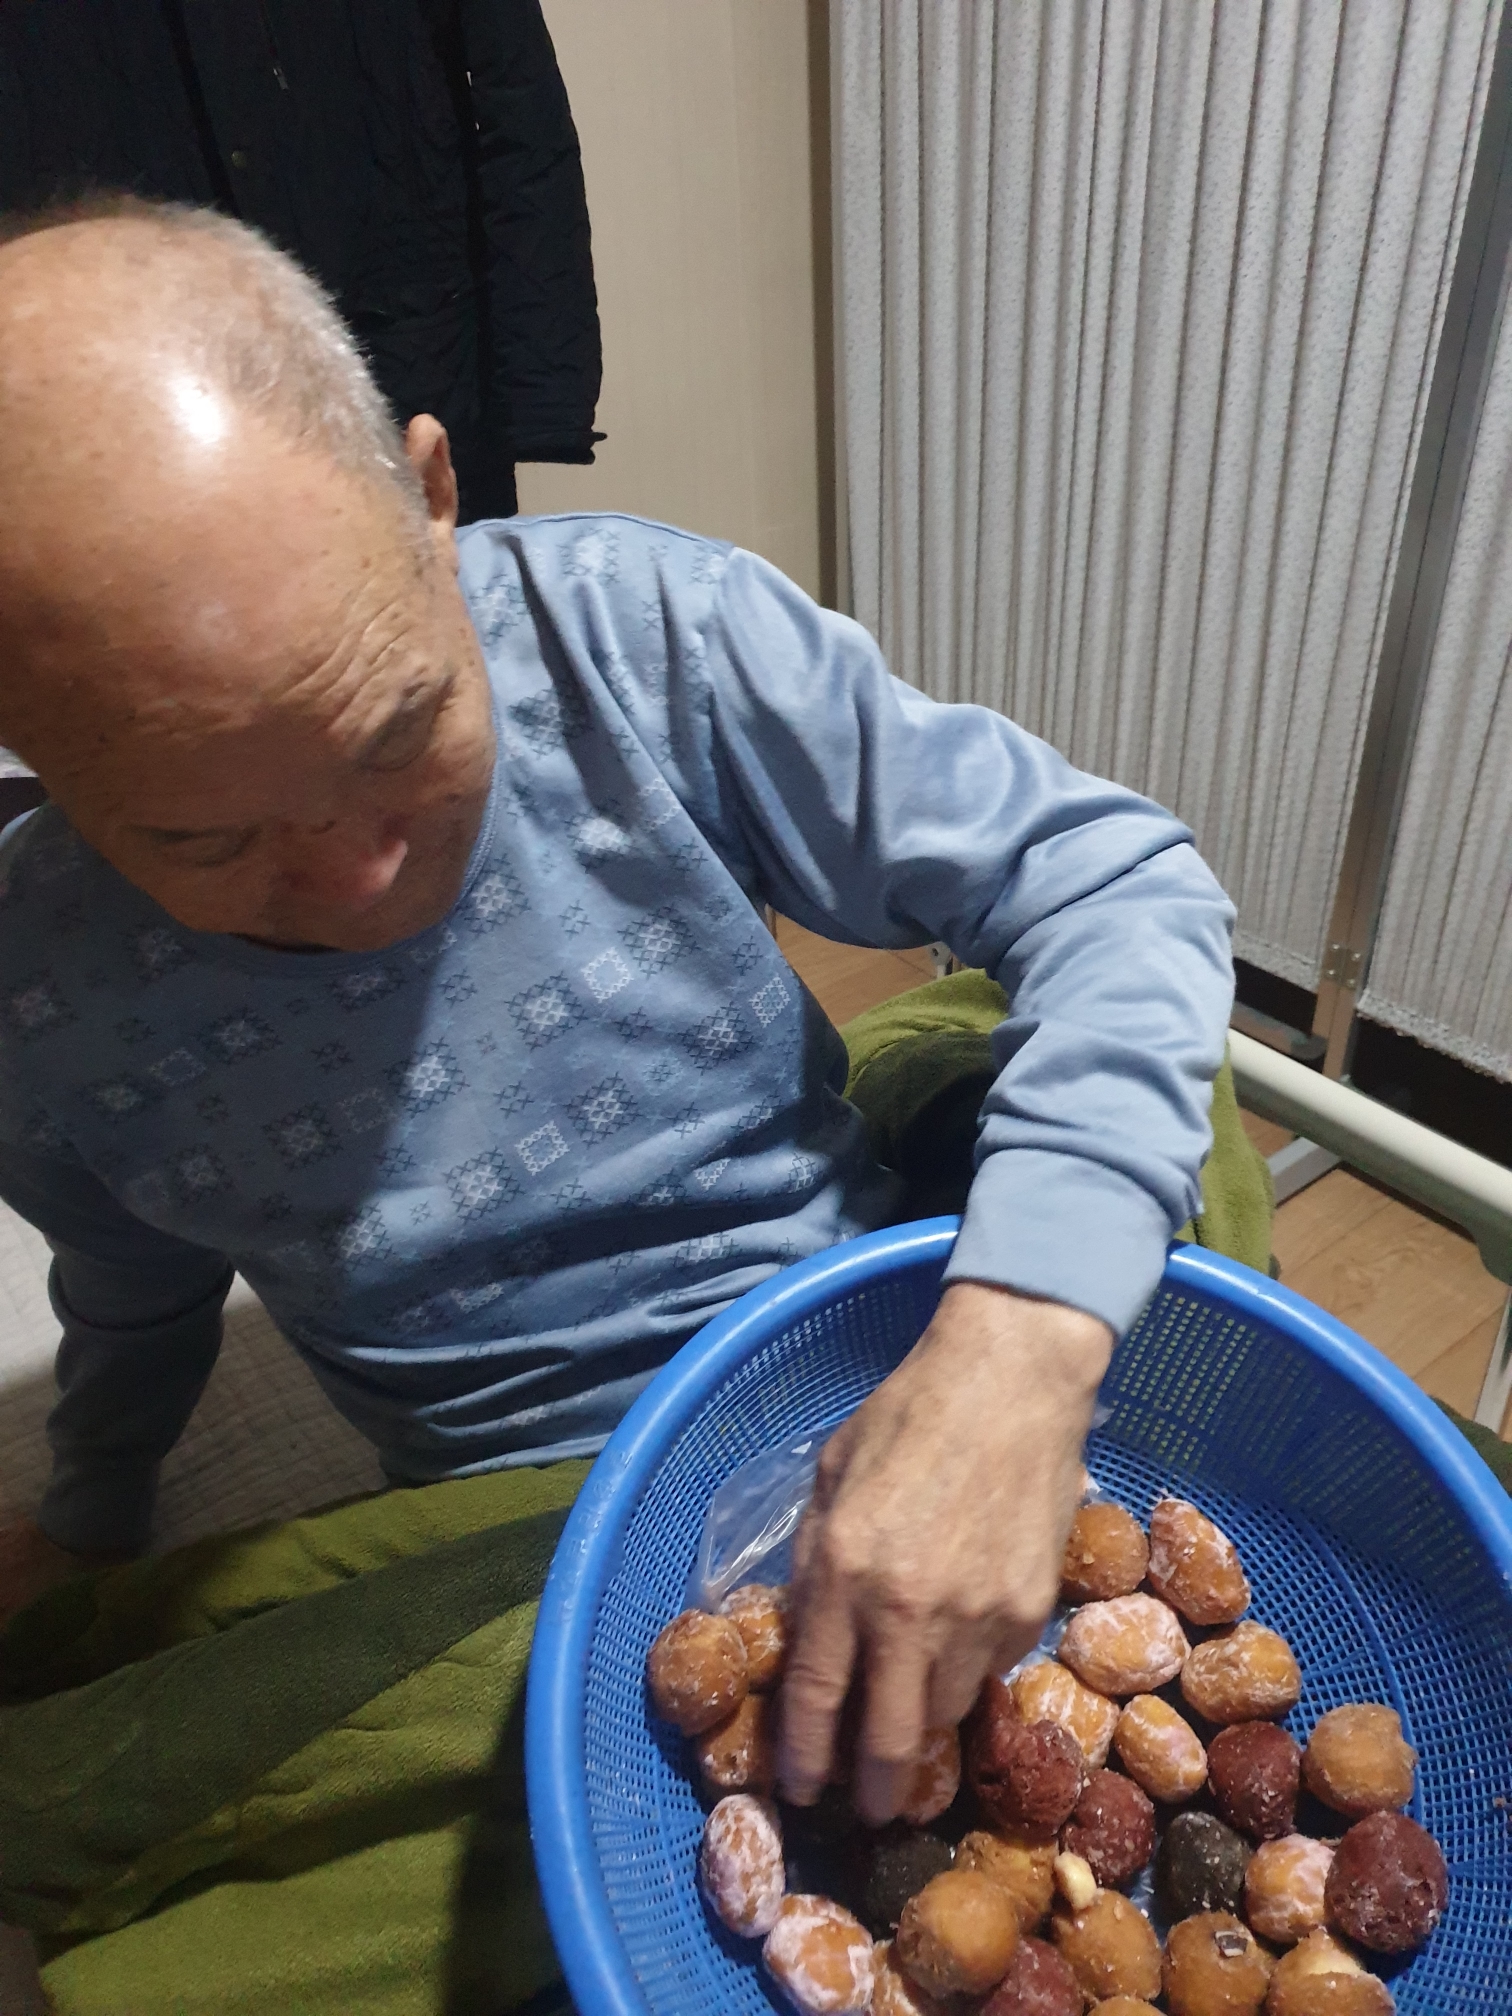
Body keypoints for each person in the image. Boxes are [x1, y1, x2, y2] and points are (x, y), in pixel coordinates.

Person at [0, 199, 1234, 1827]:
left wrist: (1014, 1350)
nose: (361, 877)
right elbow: (135, 1287)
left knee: (1172, 1156)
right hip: (506, 1521)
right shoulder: (44, 993)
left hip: (857, 1326)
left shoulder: (642, 638)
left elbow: (1114, 880)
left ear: (431, 496)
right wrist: (92, 1509)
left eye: (400, 730)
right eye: (206, 840)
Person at [0, 0, 602, 521]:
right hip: (139, 372)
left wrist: (543, 383)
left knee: (417, 603)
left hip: (405, 355)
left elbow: (519, 108)